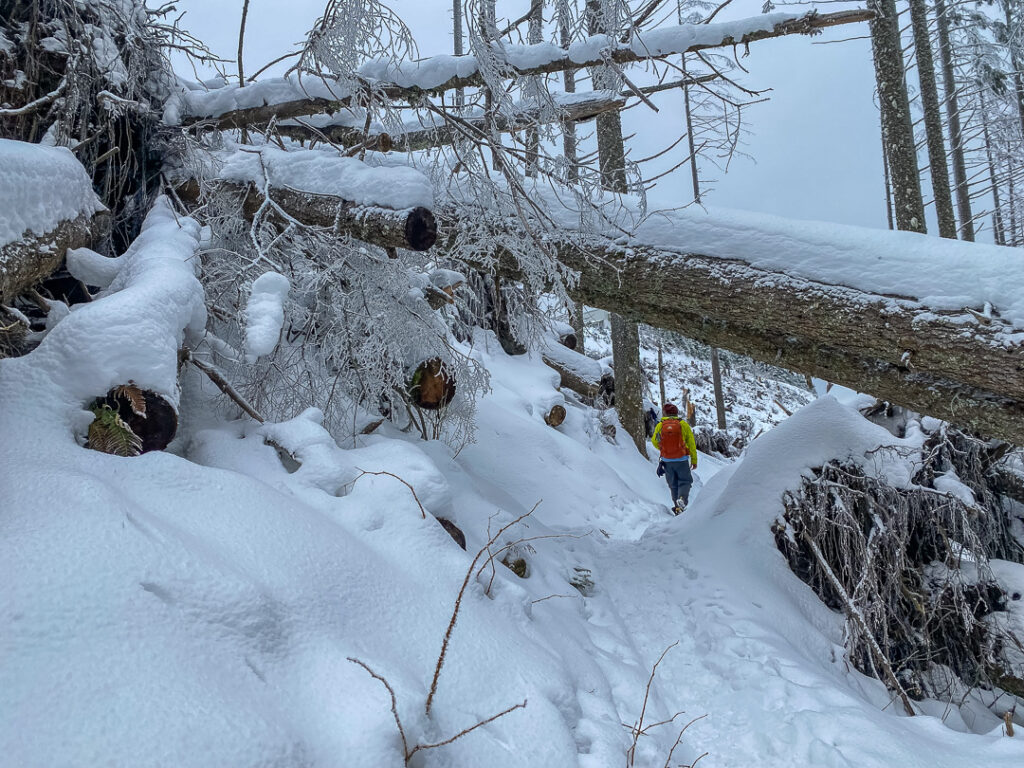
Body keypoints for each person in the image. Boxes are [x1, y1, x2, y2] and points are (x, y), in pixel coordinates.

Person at [651, 403, 697, 515]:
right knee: (685, 481)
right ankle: (682, 500)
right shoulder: (683, 424)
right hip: (682, 459)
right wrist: (694, 460)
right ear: (676, 413)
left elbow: (654, 441)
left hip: (667, 461)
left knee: (673, 484)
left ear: (665, 413)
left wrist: (663, 449)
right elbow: (691, 443)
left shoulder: (660, 425)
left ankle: (677, 508)